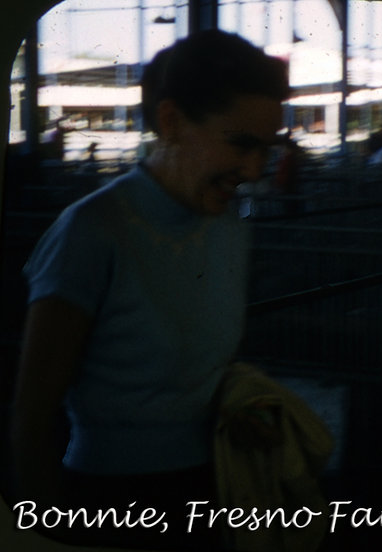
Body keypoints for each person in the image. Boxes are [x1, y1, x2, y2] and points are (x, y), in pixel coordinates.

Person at [9, 30, 289, 551]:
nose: (255, 171)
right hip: (107, 507)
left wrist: (237, 414)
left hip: (214, 493)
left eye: (266, 150)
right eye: (241, 144)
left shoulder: (230, 226)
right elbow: (31, 419)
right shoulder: (90, 231)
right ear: (171, 121)